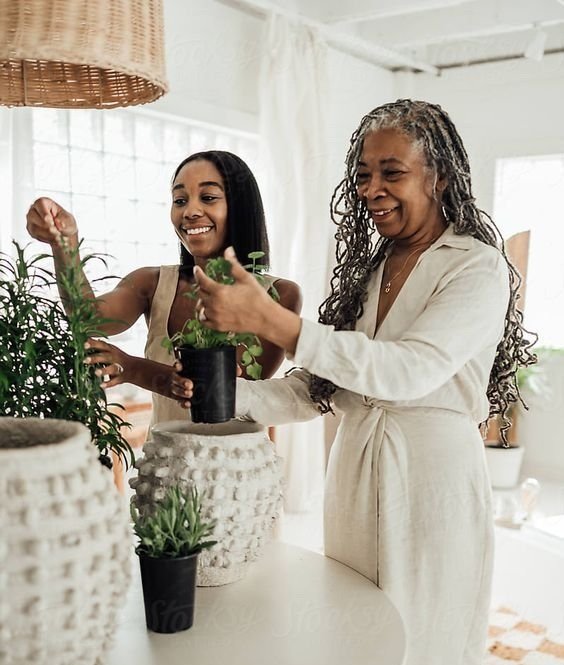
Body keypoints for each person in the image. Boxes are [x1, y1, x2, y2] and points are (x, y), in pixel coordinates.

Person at [171, 100, 536, 665]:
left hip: (431, 478)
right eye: (363, 175)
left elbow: (407, 370)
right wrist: (220, 392)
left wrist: (273, 321)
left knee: (425, 633)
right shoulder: (370, 275)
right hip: (355, 468)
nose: (372, 189)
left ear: (438, 176)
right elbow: (315, 390)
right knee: (358, 631)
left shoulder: (475, 267)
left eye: (393, 173)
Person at [26, 150, 301, 428]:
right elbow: (89, 318)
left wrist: (133, 368)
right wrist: (64, 243)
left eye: (208, 198)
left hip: (237, 466)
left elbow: (228, 393)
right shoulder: (152, 283)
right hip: (165, 462)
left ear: (240, 207)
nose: (190, 212)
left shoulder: (281, 295)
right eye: (180, 200)